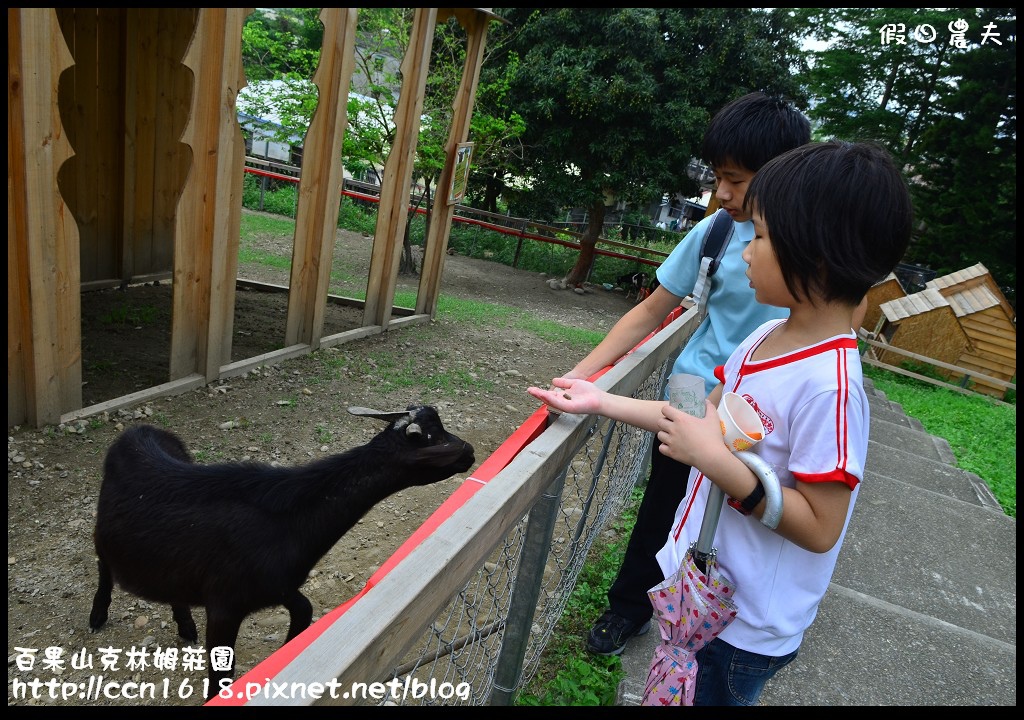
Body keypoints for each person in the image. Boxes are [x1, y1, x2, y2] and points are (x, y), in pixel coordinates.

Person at [528, 139, 913, 705]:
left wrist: (716, 462)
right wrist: (599, 400)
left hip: (743, 628)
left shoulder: (831, 387)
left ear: (818, 256)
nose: (745, 253)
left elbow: (820, 526)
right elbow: (695, 420)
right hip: (700, 594)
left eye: (760, 238)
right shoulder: (764, 339)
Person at [559, 91, 812, 657]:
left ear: (782, 175)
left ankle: (718, 624)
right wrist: (582, 375)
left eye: (735, 179)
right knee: (665, 503)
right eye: (718, 177)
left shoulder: (813, 247)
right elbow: (652, 309)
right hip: (693, 386)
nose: (720, 193)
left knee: (740, 519)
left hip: (764, 408)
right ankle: (628, 609)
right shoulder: (716, 230)